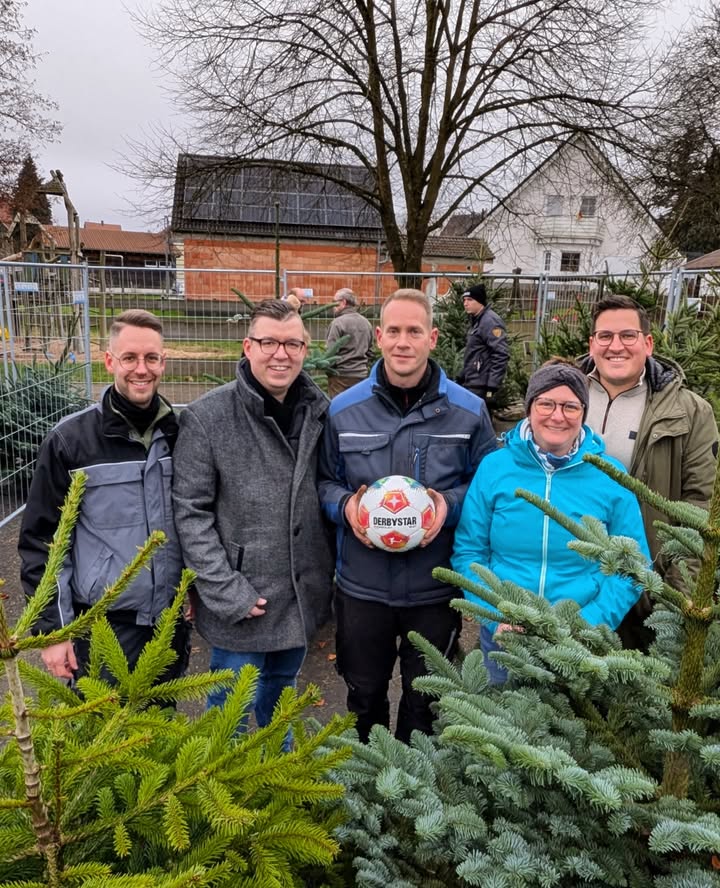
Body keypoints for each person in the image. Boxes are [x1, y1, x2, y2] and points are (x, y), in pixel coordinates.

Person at [318, 288, 496, 742]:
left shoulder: (468, 412)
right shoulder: (343, 410)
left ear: (432, 338)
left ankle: (415, 783)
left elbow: (486, 487)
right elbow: (324, 483)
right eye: (394, 331)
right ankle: (367, 778)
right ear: (378, 336)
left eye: (414, 331)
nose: (403, 342)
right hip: (363, 589)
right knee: (363, 696)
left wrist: (448, 505)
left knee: (426, 703)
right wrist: (346, 506)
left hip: (433, 588)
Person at [172, 300, 333, 737]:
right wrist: (226, 590)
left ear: (305, 349)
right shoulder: (208, 417)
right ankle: (220, 777)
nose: (281, 354)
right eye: (269, 343)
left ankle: (280, 771)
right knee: (229, 709)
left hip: (298, 594)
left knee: (281, 697)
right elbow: (191, 512)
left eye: (292, 344)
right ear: (248, 347)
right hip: (243, 599)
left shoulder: (320, 411)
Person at [451, 360, 650, 683]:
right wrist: (495, 616)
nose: (557, 416)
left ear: (583, 413)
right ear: (530, 408)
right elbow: (469, 551)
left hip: (581, 641)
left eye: (570, 406)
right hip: (506, 637)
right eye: (546, 404)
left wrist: (589, 622)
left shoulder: (609, 475)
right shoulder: (495, 468)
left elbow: (633, 566)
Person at [18, 309, 189, 682]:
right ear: (110, 361)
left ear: (163, 362)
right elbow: (42, 541)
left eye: (151, 358)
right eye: (129, 358)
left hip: (168, 624)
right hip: (102, 630)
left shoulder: (180, 435)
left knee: (164, 719)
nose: (141, 369)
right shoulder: (71, 442)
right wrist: (53, 629)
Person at [580, 294, 719, 649]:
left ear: (648, 343)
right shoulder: (560, 398)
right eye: (605, 336)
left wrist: (674, 594)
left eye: (628, 335)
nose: (616, 346)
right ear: (592, 344)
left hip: (646, 591)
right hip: (569, 583)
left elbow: (700, 506)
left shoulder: (690, 412)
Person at [457, 282, 510, 405]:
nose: (465, 303)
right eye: (464, 300)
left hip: (481, 385)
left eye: (470, 300)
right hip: (472, 382)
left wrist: (492, 384)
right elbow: (475, 352)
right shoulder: (477, 320)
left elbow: (500, 354)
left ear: (480, 301)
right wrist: (463, 375)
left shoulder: (490, 321)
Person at [325, 287, 374, 398]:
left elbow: (330, 354)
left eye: (334, 302)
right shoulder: (366, 323)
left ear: (343, 302)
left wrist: (329, 371)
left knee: (338, 406)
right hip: (361, 376)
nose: (332, 306)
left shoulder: (337, 323)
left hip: (340, 378)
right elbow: (370, 352)